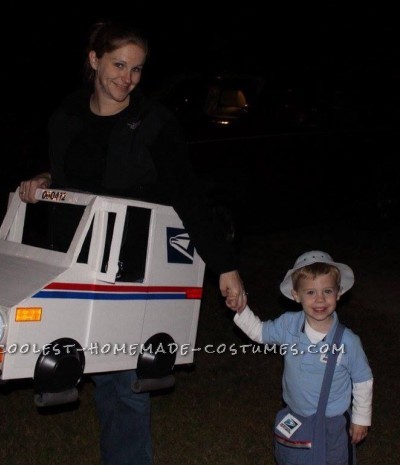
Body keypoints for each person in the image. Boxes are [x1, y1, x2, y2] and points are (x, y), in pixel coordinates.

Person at [19, 20, 247, 465]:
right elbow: (65, 176)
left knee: (124, 380)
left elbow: (187, 195)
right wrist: (45, 180)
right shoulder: (66, 114)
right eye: (119, 65)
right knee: (86, 364)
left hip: (130, 267)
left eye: (137, 70)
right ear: (94, 60)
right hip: (72, 262)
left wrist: (224, 264)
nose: (127, 78)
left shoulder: (154, 124)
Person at [232, 250, 373, 465]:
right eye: (310, 292)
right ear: (296, 295)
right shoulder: (289, 326)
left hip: (332, 422)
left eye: (327, 291)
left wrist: (361, 419)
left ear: (339, 293)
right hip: (296, 416)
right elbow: (260, 332)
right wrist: (242, 311)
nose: (320, 299)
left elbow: (363, 380)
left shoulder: (348, 342)